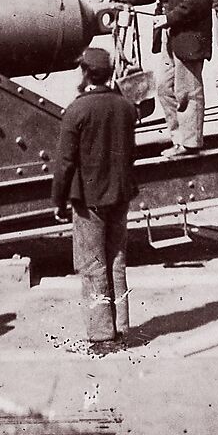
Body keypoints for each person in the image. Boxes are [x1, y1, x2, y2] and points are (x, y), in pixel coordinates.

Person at [52, 46, 138, 355]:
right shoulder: (126, 107)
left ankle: (102, 334)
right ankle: (121, 325)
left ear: (87, 73)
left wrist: (58, 201)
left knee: (92, 266)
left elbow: (64, 163)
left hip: (89, 200)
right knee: (116, 260)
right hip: (120, 195)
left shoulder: (77, 110)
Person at [111, 0, 212, 157]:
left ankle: (190, 144)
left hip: (187, 37)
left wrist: (169, 18)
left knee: (187, 90)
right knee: (165, 88)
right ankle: (179, 139)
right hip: (172, 36)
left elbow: (197, 3)